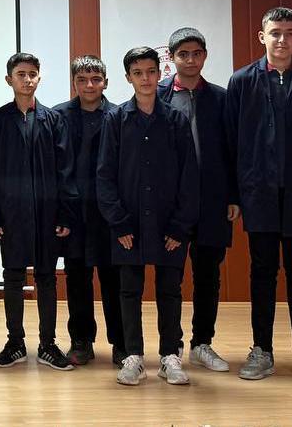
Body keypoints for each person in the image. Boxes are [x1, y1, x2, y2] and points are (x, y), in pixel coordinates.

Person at [225, 7, 292, 384]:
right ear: (262, 37)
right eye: (275, 33)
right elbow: (230, 142)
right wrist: (234, 195)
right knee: (263, 271)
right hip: (259, 194)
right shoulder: (241, 81)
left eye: (289, 33)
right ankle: (262, 350)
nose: (282, 40)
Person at [97, 46, 199, 387]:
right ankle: (133, 356)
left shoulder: (176, 120)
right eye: (138, 73)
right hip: (128, 223)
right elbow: (104, 176)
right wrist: (118, 222)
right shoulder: (115, 120)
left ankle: (170, 356)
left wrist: (180, 226)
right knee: (129, 290)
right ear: (128, 77)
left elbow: (189, 175)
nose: (145, 79)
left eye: (151, 72)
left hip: (168, 222)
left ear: (160, 73)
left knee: (170, 289)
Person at [156, 28, 238, 374]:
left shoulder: (221, 98)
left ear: (205, 56)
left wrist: (233, 195)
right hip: (170, 205)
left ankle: (202, 343)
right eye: (183, 54)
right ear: (171, 58)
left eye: (197, 53)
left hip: (212, 202)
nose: (190, 60)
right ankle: (170, 346)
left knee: (208, 276)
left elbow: (233, 149)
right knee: (169, 277)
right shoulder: (157, 95)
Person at [0, 53, 75, 371]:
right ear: (9, 79)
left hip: (47, 214)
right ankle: (15, 343)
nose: (27, 79)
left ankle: (48, 344)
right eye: (21, 74)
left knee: (46, 277)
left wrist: (64, 213)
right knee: (12, 277)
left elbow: (66, 169)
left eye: (32, 74)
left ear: (39, 78)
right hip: (11, 214)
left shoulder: (53, 119)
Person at [54, 56, 122, 367]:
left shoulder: (120, 115)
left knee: (113, 280)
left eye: (96, 79)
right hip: (74, 213)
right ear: (74, 83)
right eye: (82, 80)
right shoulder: (58, 116)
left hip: (109, 214)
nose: (89, 85)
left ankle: (121, 343)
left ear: (105, 82)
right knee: (77, 280)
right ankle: (81, 341)